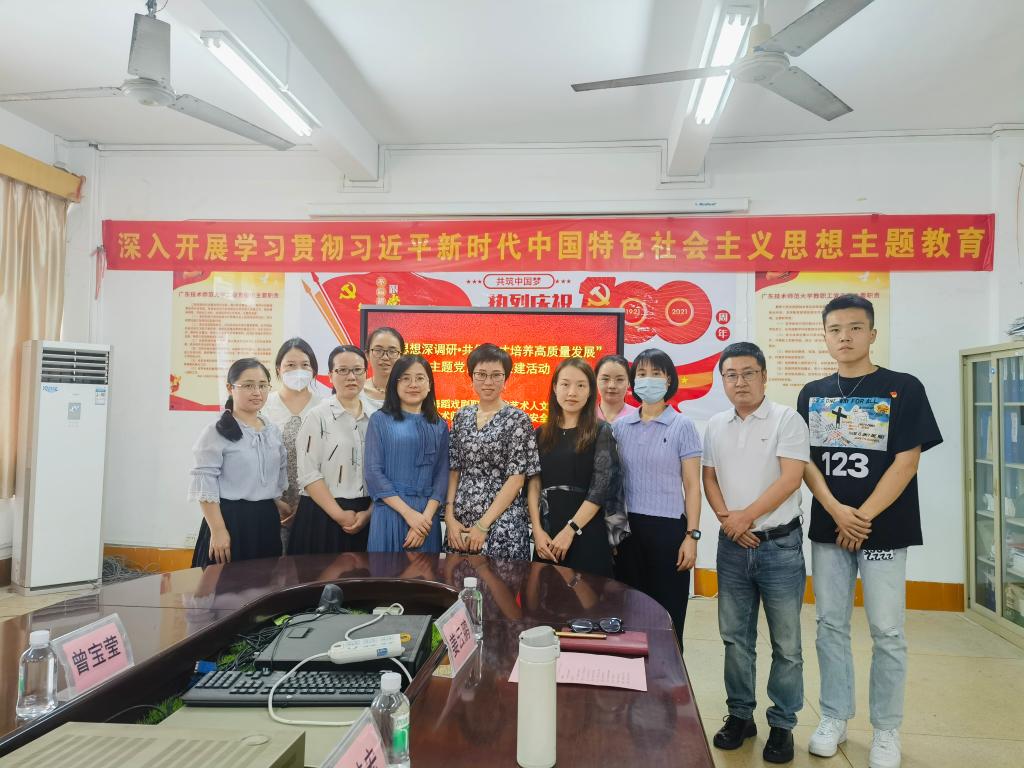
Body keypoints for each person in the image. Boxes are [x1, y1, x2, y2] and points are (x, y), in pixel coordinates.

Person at [797, 294, 942, 768]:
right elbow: (806, 462)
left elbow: (906, 462)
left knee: (887, 630)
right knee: (830, 625)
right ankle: (834, 716)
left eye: (855, 328)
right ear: (825, 336)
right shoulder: (812, 393)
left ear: (872, 334)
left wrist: (861, 517)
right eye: (835, 329)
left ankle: (886, 730)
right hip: (829, 528)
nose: (845, 337)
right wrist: (837, 511)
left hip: (885, 530)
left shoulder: (903, 387)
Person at [702, 342, 810, 764]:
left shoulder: (787, 419)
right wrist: (729, 521)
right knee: (735, 638)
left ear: (764, 376)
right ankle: (740, 716)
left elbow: (791, 479)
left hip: (779, 546)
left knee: (787, 644)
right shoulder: (716, 424)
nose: (740, 382)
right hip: (733, 547)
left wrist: (745, 517)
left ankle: (782, 724)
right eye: (731, 375)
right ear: (723, 380)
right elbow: (709, 478)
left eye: (748, 373)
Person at [612, 347, 702, 638]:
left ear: (669, 380)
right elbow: (612, 484)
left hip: (668, 532)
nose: (647, 379)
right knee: (629, 616)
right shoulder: (619, 427)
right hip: (628, 532)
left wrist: (691, 536)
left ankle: (668, 667)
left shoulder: (682, 425)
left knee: (667, 616)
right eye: (641, 373)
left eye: (655, 373)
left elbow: (692, 486)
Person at [188, 358, 288, 567]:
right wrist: (218, 530)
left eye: (263, 385)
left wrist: (275, 501)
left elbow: (271, 474)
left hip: (266, 520)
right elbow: (205, 485)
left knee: (265, 581)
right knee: (227, 584)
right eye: (248, 385)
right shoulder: (216, 431)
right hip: (230, 520)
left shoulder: (272, 431)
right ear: (230, 388)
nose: (257, 392)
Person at [446, 343, 540, 560]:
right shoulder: (461, 416)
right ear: (471, 377)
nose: (488, 382)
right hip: (461, 522)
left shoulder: (518, 419)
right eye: (481, 374)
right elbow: (454, 470)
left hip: (502, 523)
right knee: (458, 579)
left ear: (506, 378)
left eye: (496, 375)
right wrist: (449, 517)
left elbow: (516, 479)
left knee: (499, 580)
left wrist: (483, 525)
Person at [527, 358, 618, 578]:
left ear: (590, 391)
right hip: (547, 538)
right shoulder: (540, 433)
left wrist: (570, 530)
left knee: (588, 597)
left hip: (586, 532)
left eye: (581, 385)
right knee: (544, 596)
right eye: (565, 384)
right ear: (555, 388)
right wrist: (537, 531)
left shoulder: (601, 431)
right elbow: (534, 485)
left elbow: (600, 488)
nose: (572, 392)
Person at [288, 345, 378, 555]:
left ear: (366, 373)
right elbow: (308, 474)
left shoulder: (376, 418)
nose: (351, 377)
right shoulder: (317, 416)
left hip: (366, 515)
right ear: (330, 376)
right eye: (342, 370)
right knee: (319, 575)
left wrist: (369, 513)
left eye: (357, 370)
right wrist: (339, 515)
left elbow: (382, 471)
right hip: (323, 513)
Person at [365, 355, 449, 552]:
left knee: (425, 572)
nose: (413, 384)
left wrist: (424, 520)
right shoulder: (379, 420)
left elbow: (442, 476)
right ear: (395, 384)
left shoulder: (440, 425)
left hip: (426, 520)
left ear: (429, 385)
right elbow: (373, 473)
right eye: (405, 378)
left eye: (420, 378)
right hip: (390, 512)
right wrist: (409, 514)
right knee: (386, 570)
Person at [262, 338, 322, 553]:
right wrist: (276, 501)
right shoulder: (263, 405)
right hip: (269, 502)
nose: (298, 371)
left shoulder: (325, 406)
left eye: (305, 365)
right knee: (268, 565)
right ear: (279, 368)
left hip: (315, 503)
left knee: (309, 565)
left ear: (314, 370)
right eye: (290, 365)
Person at [363, 326, 405, 407]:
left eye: (392, 351)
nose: (385, 357)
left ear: (401, 356)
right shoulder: (357, 391)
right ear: (367, 355)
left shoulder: (410, 391)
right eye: (378, 350)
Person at [594, 354, 637, 423]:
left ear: (629, 382)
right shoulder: (584, 416)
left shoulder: (639, 417)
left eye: (619, 379)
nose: (612, 386)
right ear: (595, 380)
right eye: (605, 379)